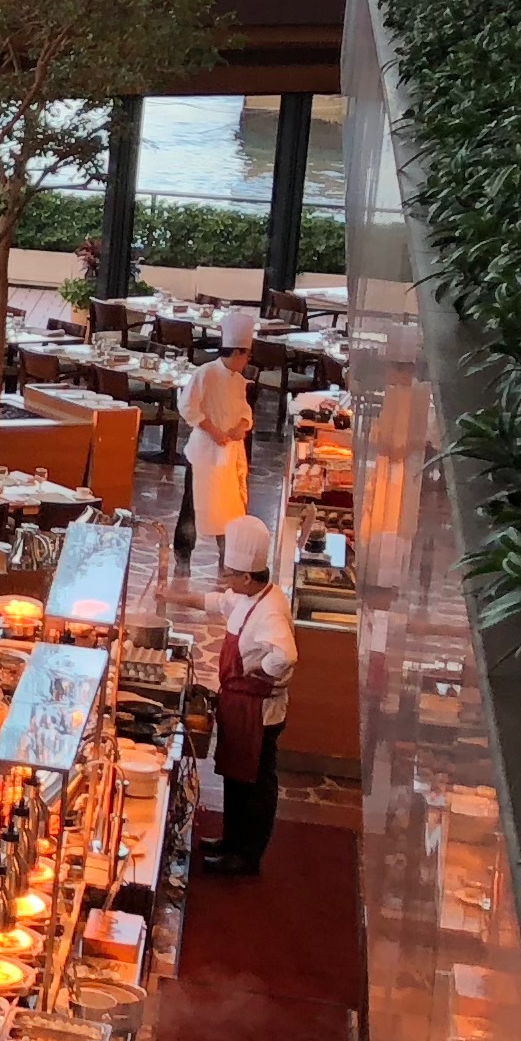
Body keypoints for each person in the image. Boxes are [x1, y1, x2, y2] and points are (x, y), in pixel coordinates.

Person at [206, 514, 299, 875]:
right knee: (234, 777)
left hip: (260, 714)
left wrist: (262, 674)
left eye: (229, 574)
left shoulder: (272, 612)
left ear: (247, 577)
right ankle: (230, 840)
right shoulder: (250, 596)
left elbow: (286, 656)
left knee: (255, 784)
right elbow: (222, 603)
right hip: (239, 705)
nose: (225, 579)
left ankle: (246, 856)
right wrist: (176, 596)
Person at [175, 311, 258, 555]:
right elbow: (187, 406)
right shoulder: (205, 373)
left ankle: (228, 555)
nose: (248, 360)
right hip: (203, 452)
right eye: (247, 355)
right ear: (236, 352)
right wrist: (214, 431)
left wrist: (240, 427)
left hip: (229, 453)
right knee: (193, 505)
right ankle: (183, 554)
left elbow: (245, 412)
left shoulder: (239, 381)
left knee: (229, 507)